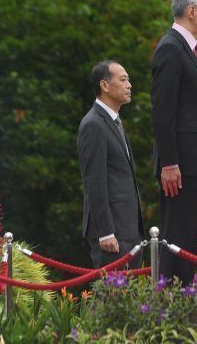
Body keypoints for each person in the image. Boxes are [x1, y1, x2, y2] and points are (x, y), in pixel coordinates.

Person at [150, 0, 197, 285]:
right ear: (192, 11)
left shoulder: (187, 49)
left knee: (189, 240)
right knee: (176, 241)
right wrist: (169, 162)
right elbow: (163, 114)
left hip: (195, 164)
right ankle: (169, 310)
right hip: (180, 168)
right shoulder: (170, 48)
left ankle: (186, 305)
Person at [78, 60, 144, 270]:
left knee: (128, 299)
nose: (129, 85)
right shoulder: (93, 124)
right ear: (104, 86)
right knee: (112, 298)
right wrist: (105, 232)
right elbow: (94, 181)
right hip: (112, 232)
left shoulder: (113, 120)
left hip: (128, 228)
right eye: (123, 79)